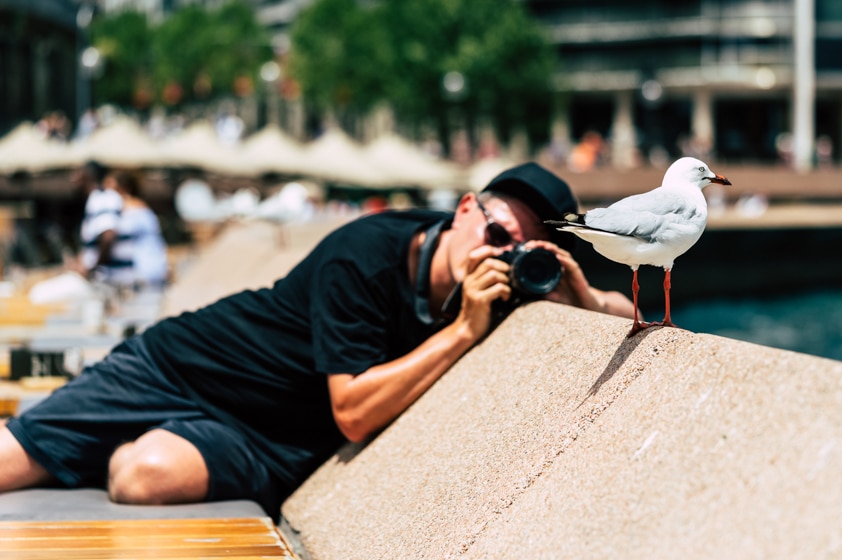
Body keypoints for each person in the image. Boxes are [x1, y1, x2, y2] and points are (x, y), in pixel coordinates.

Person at [0, 163, 635, 521]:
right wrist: (464, 332)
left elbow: (624, 312)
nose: (501, 253)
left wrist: (572, 284)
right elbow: (354, 411)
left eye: (523, 249)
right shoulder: (366, 253)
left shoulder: (502, 286)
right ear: (466, 208)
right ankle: (105, 435)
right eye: (498, 233)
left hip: (274, 437)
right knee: (10, 461)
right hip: (179, 367)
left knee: (144, 477)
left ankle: (125, 446)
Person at [101, 170, 169, 289]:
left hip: (142, 272)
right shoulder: (142, 208)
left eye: (110, 189)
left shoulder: (130, 210)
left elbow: (109, 235)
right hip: (153, 269)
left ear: (123, 189)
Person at [73, 160, 123, 279]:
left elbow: (108, 236)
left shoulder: (102, 198)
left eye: (78, 172)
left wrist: (93, 268)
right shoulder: (96, 199)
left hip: (105, 277)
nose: (73, 177)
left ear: (88, 175)